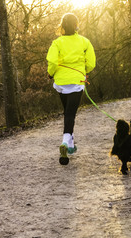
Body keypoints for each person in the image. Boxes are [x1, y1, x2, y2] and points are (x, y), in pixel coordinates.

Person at [46, 13, 96, 163]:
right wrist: (85, 71)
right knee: (70, 115)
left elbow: (53, 62)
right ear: (76, 25)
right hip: (76, 81)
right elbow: (91, 63)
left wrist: (50, 74)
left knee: (68, 113)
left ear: (62, 26)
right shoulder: (84, 42)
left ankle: (70, 147)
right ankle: (65, 140)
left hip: (61, 82)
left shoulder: (57, 43)